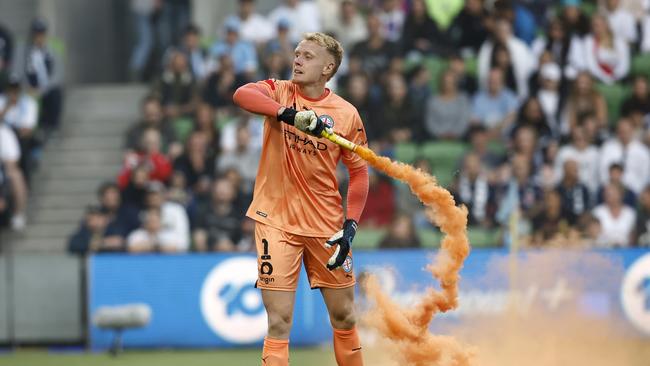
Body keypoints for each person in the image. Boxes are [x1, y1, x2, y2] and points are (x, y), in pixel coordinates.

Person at [233, 32, 368, 366]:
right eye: (296, 54)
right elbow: (241, 94)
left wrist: (350, 227)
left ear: (328, 68)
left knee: (345, 317)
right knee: (279, 322)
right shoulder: (279, 91)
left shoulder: (347, 114)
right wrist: (288, 114)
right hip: (275, 222)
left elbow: (360, 173)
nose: (297, 60)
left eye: (307, 56)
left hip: (326, 227)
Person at [25, 19, 63, 133]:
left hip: (47, 87)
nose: (39, 37)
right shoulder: (25, 51)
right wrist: (28, 88)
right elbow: (19, 72)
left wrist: (44, 88)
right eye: (36, 33)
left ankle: (51, 127)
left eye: (41, 33)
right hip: (29, 88)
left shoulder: (52, 51)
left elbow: (58, 73)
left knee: (56, 93)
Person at [425, 69, 471, 140]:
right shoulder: (433, 100)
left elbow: (464, 120)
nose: (448, 85)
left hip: (459, 137)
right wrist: (441, 134)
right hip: (437, 138)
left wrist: (454, 134)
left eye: (451, 82)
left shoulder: (463, 99)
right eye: (445, 82)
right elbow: (430, 122)